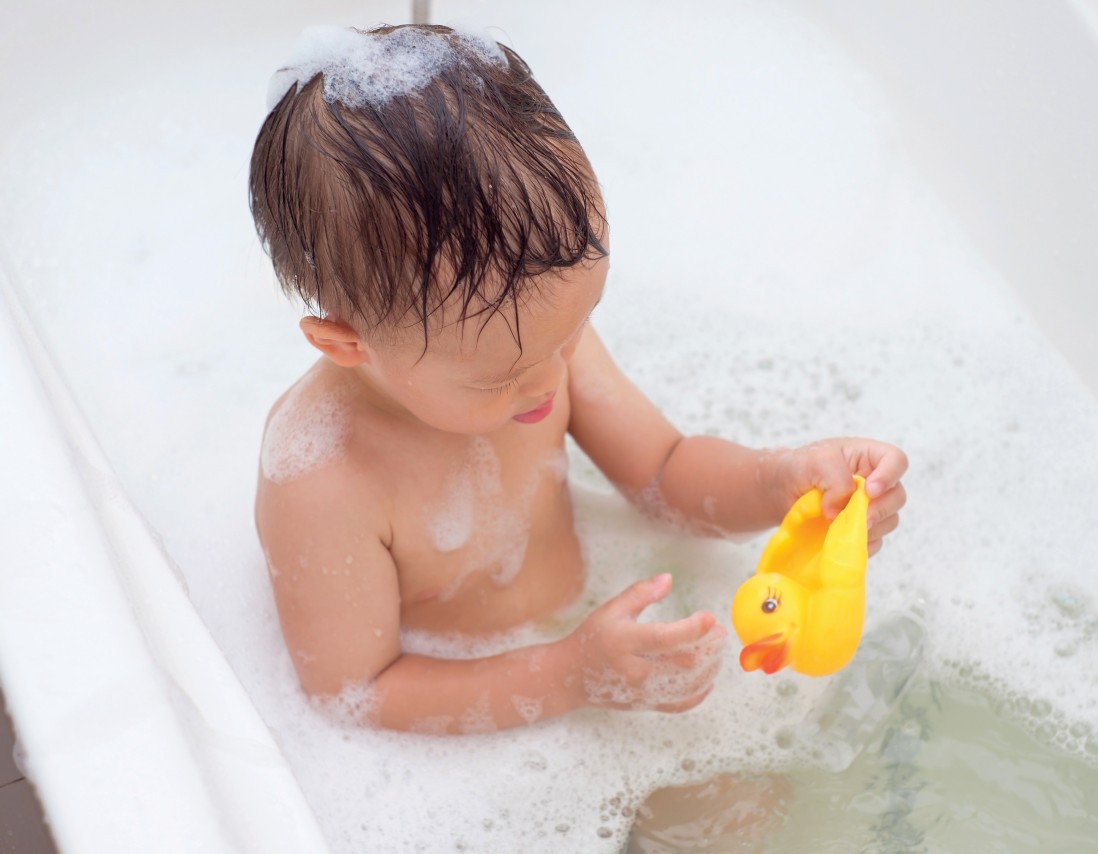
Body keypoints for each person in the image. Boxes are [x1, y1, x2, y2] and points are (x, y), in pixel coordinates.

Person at [249, 23, 907, 736]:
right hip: (486, 733)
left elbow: (663, 472)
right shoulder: (321, 479)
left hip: (601, 657)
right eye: (501, 377)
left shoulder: (530, 348)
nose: (549, 382)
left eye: (573, 332)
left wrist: (780, 484)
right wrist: (567, 676)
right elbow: (355, 690)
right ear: (346, 343)